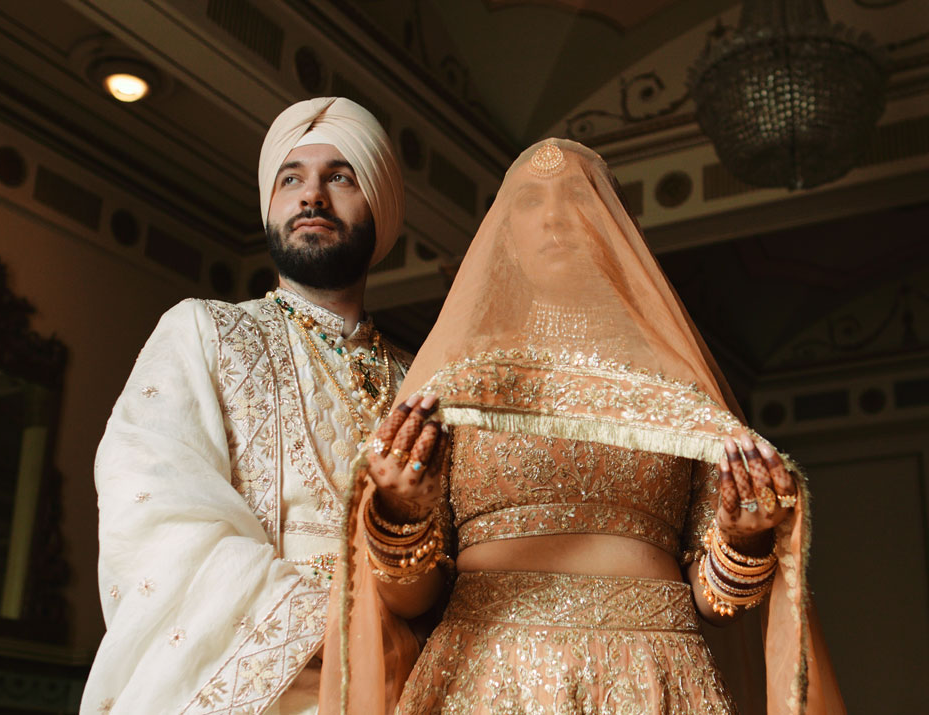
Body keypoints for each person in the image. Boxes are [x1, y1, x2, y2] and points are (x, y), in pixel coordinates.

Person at [320, 139, 844, 713]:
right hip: (488, 676)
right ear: (506, 239)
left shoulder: (676, 390)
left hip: (656, 679)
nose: (554, 218)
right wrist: (400, 513)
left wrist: (744, 539)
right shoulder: (460, 385)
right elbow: (411, 601)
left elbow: (715, 604)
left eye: (577, 197)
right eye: (528, 201)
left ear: (617, 232)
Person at [80, 97, 410, 715]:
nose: (312, 196)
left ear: (380, 209)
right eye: (292, 179)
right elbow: (152, 507)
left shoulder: (419, 378)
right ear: (271, 203)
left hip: (406, 687)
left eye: (340, 176)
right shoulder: (204, 332)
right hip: (267, 684)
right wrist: (332, 629)